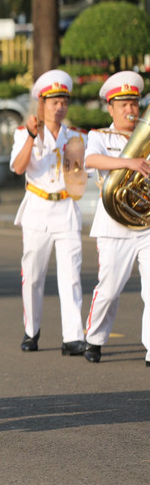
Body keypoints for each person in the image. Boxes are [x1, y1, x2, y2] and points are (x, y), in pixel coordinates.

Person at [9, 69, 87, 354]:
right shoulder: (24, 133)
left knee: (72, 275)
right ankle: (32, 331)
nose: (59, 107)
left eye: (64, 101)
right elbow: (18, 168)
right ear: (41, 103)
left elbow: (82, 175)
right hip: (38, 209)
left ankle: (73, 337)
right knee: (33, 275)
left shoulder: (76, 136)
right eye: (53, 101)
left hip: (66, 208)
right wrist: (32, 136)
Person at [82, 71, 150, 365]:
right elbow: (90, 161)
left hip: (146, 223)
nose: (130, 110)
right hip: (114, 224)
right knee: (109, 290)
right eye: (123, 104)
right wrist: (128, 162)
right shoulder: (100, 136)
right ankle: (94, 339)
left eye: (134, 103)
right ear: (111, 108)